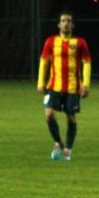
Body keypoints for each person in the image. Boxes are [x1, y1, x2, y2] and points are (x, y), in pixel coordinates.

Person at [37, 11, 91, 161]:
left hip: (72, 88)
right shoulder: (51, 41)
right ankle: (59, 143)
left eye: (68, 21)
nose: (66, 23)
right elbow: (44, 61)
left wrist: (86, 84)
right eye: (63, 21)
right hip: (53, 86)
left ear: (72, 25)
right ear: (58, 24)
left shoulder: (80, 42)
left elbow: (87, 63)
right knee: (49, 114)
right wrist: (40, 82)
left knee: (71, 118)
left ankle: (67, 149)